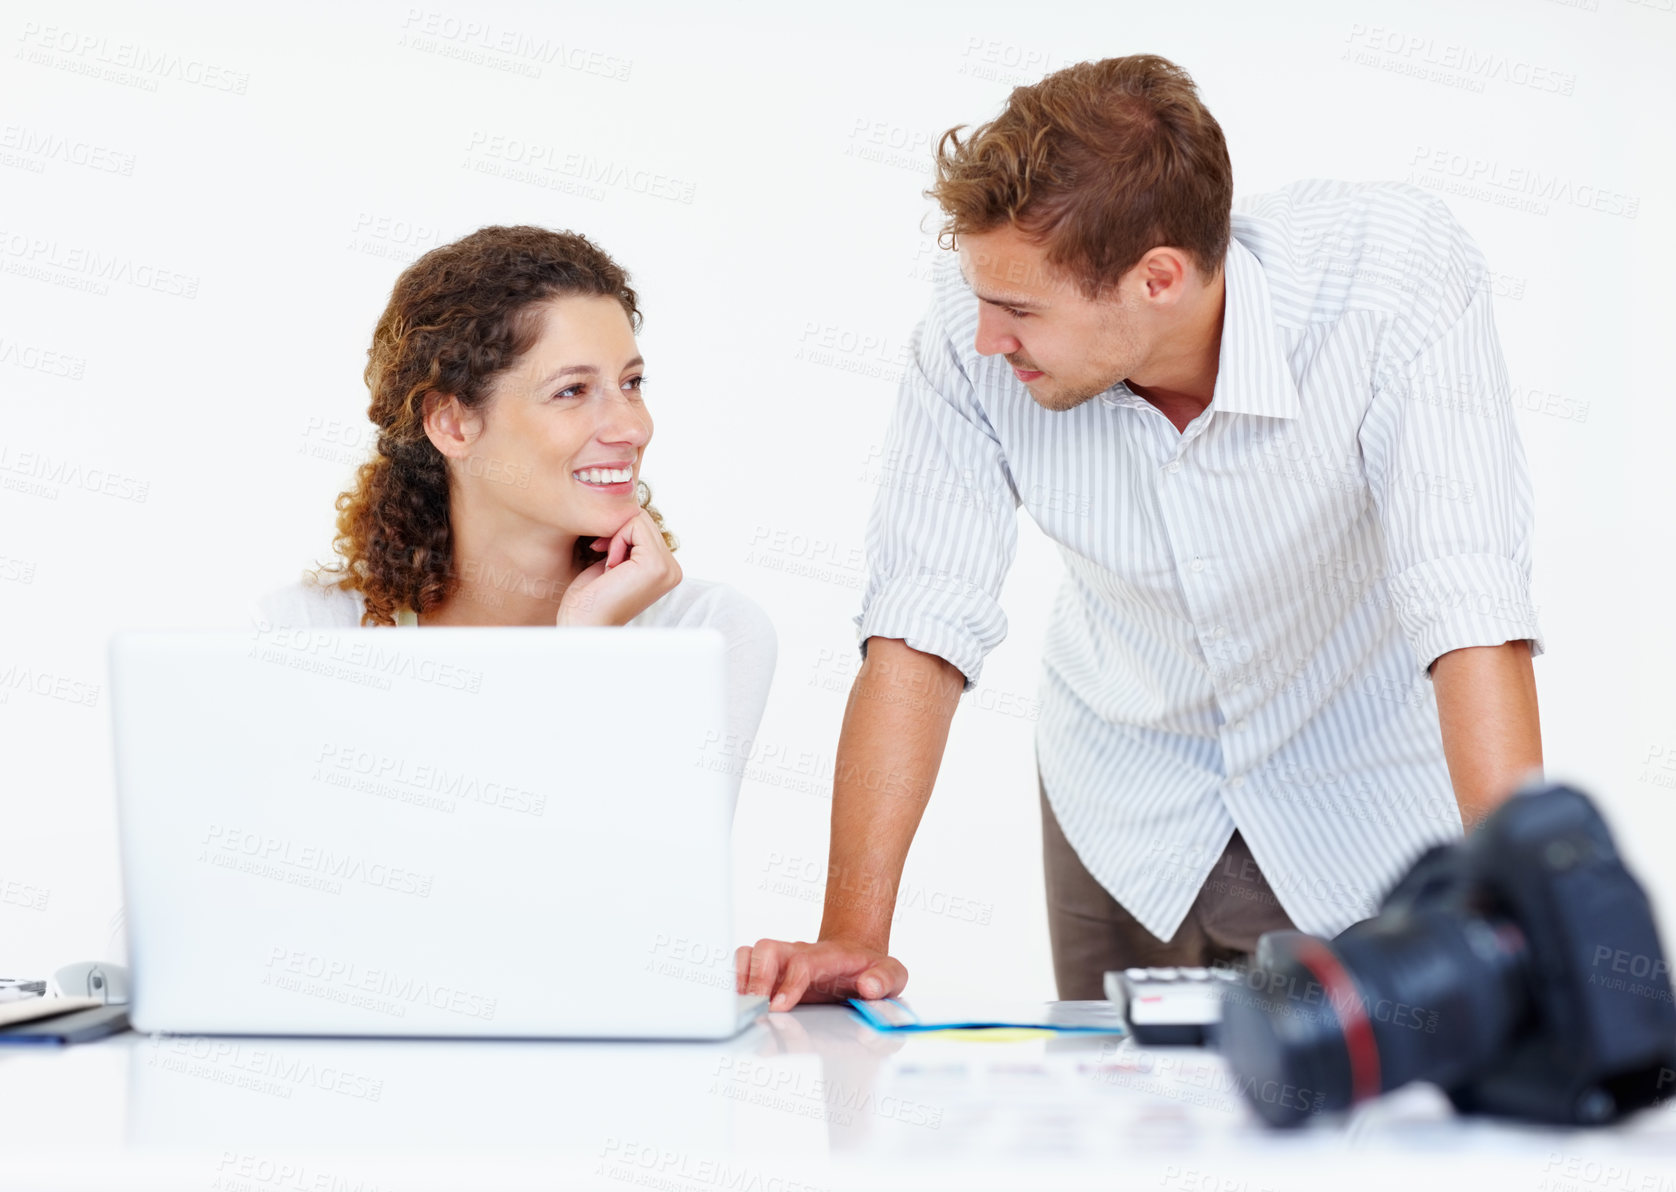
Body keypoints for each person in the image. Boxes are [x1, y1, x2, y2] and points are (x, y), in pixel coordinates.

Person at [738, 54, 1543, 1005]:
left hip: (1359, 806)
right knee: (1114, 1129)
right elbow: (920, 623)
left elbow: (1467, 603)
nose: (990, 336)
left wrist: (1528, 918)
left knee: (1343, 1135)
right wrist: (852, 937)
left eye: (1022, 310)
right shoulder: (971, 335)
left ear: (1157, 277)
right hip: (1118, 801)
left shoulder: (1389, 282)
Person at [252, 225, 776, 810]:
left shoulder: (704, 635)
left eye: (632, 383)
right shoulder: (309, 635)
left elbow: (639, 883)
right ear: (453, 424)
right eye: (572, 391)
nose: (634, 427)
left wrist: (588, 650)